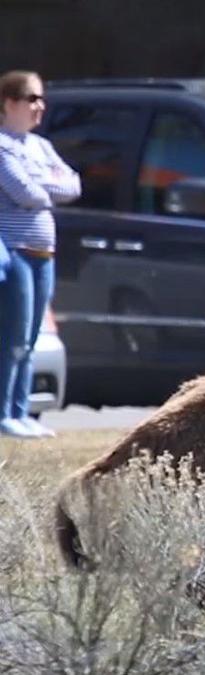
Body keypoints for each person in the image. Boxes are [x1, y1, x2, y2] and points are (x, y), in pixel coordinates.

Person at [0, 70, 81, 438]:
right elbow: (24, 192)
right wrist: (47, 186)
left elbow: (73, 184)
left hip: (44, 253)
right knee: (13, 336)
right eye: (31, 98)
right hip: (14, 252)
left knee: (30, 339)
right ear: (8, 103)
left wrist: (42, 181)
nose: (39, 106)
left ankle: (22, 411)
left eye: (40, 98)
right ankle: (4, 413)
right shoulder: (2, 146)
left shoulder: (41, 147)